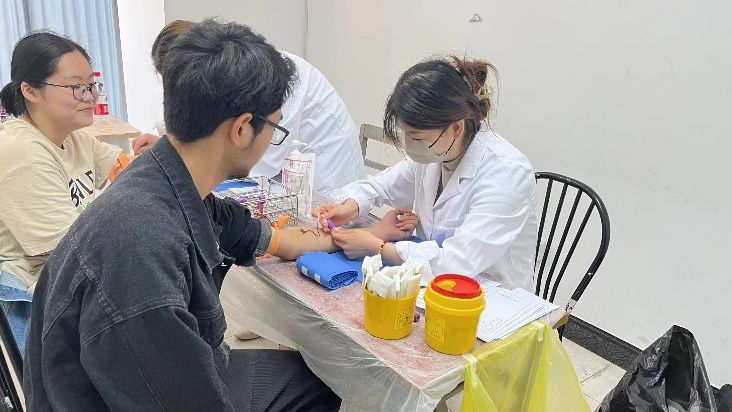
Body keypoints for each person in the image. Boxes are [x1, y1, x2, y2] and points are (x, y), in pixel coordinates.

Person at [23, 20, 413, 411]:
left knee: (318, 379)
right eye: (274, 128)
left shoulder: (175, 183)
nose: (272, 140)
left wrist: (368, 236)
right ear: (242, 128)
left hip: (165, 372)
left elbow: (279, 240)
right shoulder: (140, 256)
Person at [316, 56, 538, 292]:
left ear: (456, 128)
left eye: (416, 137)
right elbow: (381, 187)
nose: (410, 145)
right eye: (405, 135)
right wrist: (350, 207)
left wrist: (378, 247)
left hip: (492, 295)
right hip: (429, 284)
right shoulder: (437, 152)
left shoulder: (506, 173)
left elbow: (456, 262)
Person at [0, 32, 131, 352]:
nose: (90, 97)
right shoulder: (22, 153)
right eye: (76, 87)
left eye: (92, 85)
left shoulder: (73, 136)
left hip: (70, 279)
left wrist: (159, 155)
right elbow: (76, 251)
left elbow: (130, 173)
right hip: (31, 298)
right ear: (30, 91)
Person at [133, 19, 365, 196]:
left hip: (326, 188)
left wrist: (184, 157)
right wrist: (175, 148)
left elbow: (253, 164)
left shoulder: (273, 80)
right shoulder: (228, 74)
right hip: (282, 179)